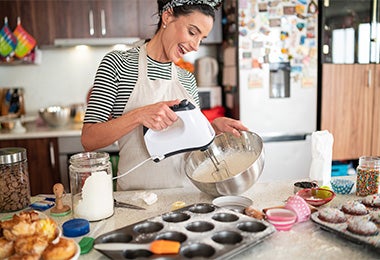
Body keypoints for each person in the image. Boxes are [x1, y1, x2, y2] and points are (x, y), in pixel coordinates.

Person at [81, 0, 248, 190]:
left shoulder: (187, 79)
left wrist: (211, 129)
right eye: (192, 32)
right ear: (167, 16)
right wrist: (139, 115)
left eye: (202, 38)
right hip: (135, 201)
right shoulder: (118, 64)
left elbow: (190, 142)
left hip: (185, 198)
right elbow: (89, 140)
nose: (195, 46)